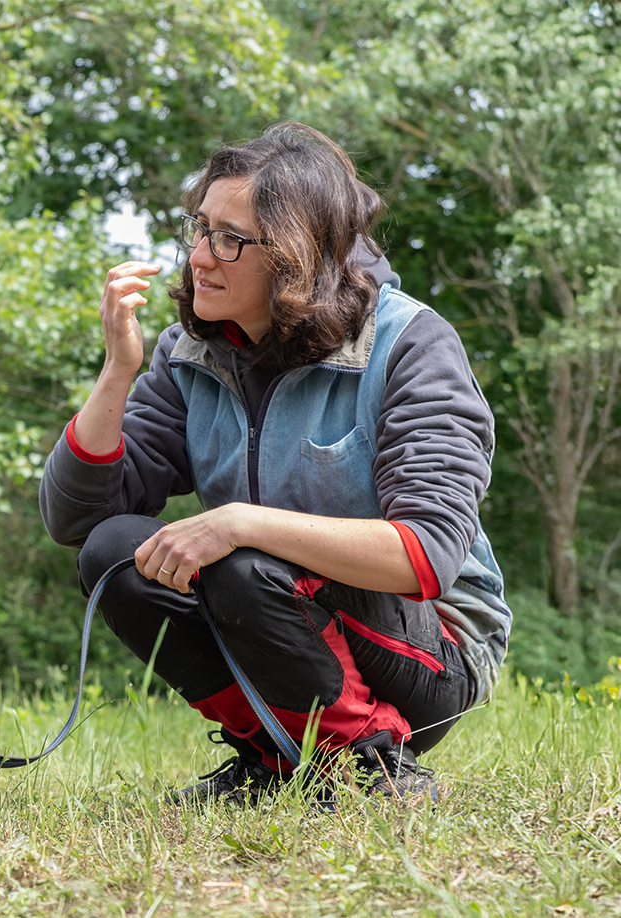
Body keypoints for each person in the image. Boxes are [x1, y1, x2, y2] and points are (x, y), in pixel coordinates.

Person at [39, 122, 512, 805]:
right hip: (278, 612)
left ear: (297, 255)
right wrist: (118, 371)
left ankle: (372, 767)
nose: (199, 257)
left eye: (229, 239)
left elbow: (425, 557)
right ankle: (273, 757)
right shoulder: (188, 353)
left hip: (434, 649)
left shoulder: (411, 345)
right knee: (114, 552)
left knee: (240, 561)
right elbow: (77, 518)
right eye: (198, 228)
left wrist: (241, 523)